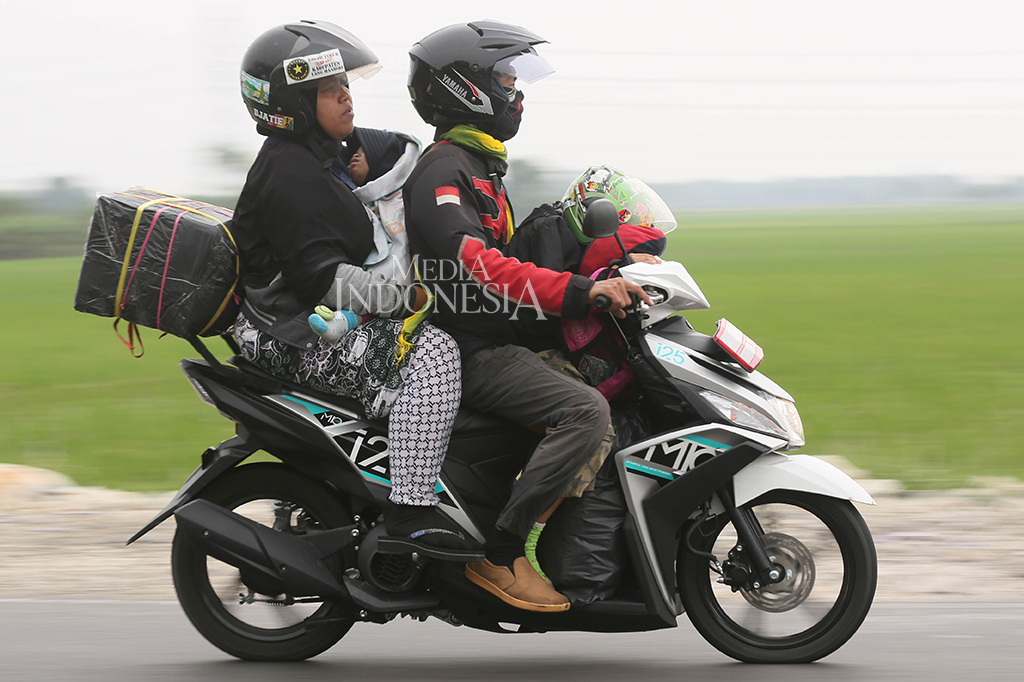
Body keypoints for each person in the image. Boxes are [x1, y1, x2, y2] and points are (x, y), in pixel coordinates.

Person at [403, 21, 651, 612]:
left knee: (598, 388)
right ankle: (502, 551)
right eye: (507, 78)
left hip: (492, 337)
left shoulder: (479, 165)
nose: (518, 92)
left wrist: (604, 265)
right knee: (583, 410)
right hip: (466, 348)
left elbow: (512, 258)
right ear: (465, 87)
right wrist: (578, 293)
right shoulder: (444, 171)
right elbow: (480, 266)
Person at [231, 20, 479, 560]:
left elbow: (397, 150)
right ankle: (409, 513)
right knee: (434, 355)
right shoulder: (291, 172)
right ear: (293, 102)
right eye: (329, 89)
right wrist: (406, 297)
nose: (346, 97)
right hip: (288, 332)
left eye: (345, 84)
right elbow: (327, 282)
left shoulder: (320, 154)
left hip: (301, 317)